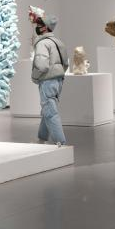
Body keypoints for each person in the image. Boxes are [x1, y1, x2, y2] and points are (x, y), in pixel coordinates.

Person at [31, 12, 68, 146]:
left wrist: (35, 77)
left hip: (47, 80)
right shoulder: (58, 42)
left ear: (45, 27)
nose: (37, 27)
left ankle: (61, 142)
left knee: (50, 111)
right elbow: (65, 63)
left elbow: (42, 65)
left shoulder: (42, 43)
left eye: (39, 25)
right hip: (58, 79)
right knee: (48, 108)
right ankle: (42, 138)